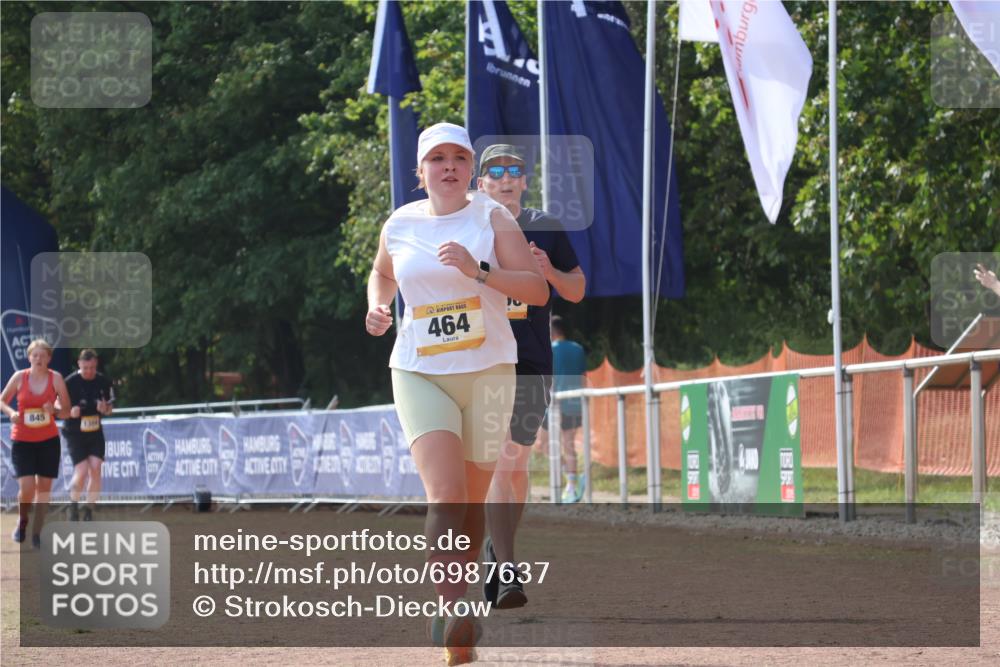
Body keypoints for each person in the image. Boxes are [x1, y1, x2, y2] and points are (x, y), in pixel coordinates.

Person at [365, 123, 547, 666]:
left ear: (471, 169)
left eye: (458, 158)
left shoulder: (493, 218)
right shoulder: (399, 223)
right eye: (436, 159)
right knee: (445, 495)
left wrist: (480, 271)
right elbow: (382, 274)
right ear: (419, 173)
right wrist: (377, 305)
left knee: (468, 503)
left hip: (490, 371)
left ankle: (459, 612)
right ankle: (450, 612)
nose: (448, 167)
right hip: (420, 371)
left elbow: (536, 290)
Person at [477, 144, 585, 610]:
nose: (505, 178)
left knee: (518, 467)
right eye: (495, 171)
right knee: (504, 462)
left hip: (534, 360)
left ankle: (495, 548)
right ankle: (506, 572)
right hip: (484, 359)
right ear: (481, 182)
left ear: (524, 180)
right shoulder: (470, 223)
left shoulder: (546, 225)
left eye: (514, 171)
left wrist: (550, 271)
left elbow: (577, 290)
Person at [0, 339, 71, 548]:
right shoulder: (19, 377)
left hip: (48, 441)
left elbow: (66, 410)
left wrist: (55, 410)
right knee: (28, 488)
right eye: (35, 355)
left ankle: (38, 532)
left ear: (49, 358)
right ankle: (22, 522)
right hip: (22, 440)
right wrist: (12, 412)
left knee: (44, 490)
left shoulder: (56, 379)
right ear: (29, 357)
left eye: (43, 355)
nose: (39, 359)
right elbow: (2, 400)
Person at [63, 349, 115, 521]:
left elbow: (110, 409)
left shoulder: (104, 381)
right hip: (75, 432)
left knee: (96, 468)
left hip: (95, 432)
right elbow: (58, 408)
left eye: (92, 367)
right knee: (82, 470)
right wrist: (71, 411)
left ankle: (89, 509)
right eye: (85, 368)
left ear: (96, 364)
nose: (89, 371)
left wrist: (105, 409)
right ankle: (73, 505)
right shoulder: (69, 382)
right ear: (79, 364)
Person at [550, 315, 587, 503]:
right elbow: (583, 377)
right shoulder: (578, 349)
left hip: (556, 402)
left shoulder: (550, 349)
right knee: (566, 444)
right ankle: (572, 480)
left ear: (553, 331)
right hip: (574, 403)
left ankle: (571, 483)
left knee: (549, 444)